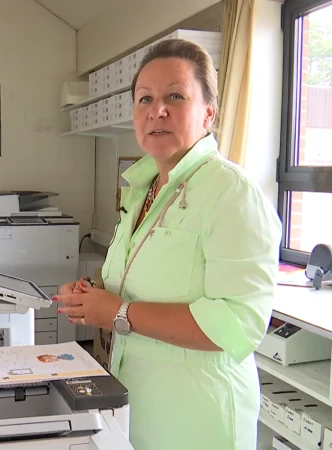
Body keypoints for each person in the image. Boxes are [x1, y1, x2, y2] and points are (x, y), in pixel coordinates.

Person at [54, 38, 282, 450]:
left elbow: (236, 324)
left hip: (197, 416)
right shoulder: (144, 189)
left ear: (208, 114)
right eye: (145, 99)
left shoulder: (231, 192)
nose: (156, 110)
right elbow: (137, 281)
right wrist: (93, 296)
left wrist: (119, 312)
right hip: (137, 402)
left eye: (175, 96)